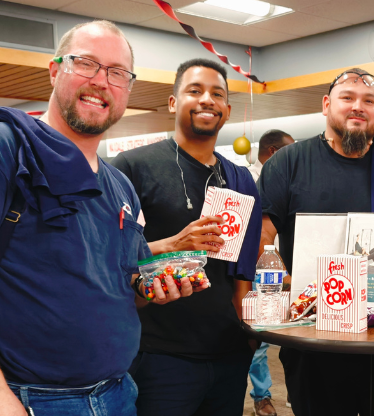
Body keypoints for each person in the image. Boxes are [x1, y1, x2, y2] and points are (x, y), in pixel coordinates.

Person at [0, 20, 204, 416]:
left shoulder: (120, 187)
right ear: (56, 70)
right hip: (31, 399)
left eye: (116, 73)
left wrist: (152, 287)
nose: (101, 81)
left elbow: (121, 282)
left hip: (118, 393)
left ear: (127, 89)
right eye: (86, 64)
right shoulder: (12, 147)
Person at [256, 68, 374, 416]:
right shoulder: (289, 162)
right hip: (313, 337)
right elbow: (263, 234)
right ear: (327, 105)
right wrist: (283, 282)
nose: (358, 107)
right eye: (347, 98)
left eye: (369, 101)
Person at [111, 58, 262, 416]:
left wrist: (248, 331)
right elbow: (106, 255)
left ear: (226, 109)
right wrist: (173, 245)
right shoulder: (131, 167)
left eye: (217, 94)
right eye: (194, 91)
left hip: (228, 351)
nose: (207, 99)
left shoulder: (239, 179)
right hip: (160, 354)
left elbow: (241, 267)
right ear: (173, 102)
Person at [246, 129, 294, 416]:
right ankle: (262, 396)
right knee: (260, 338)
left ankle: (293, 390)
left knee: (290, 333)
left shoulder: (286, 181)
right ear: (275, 152)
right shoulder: (248, 180)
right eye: (289, 152)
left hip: (281, 271)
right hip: (256, 270)